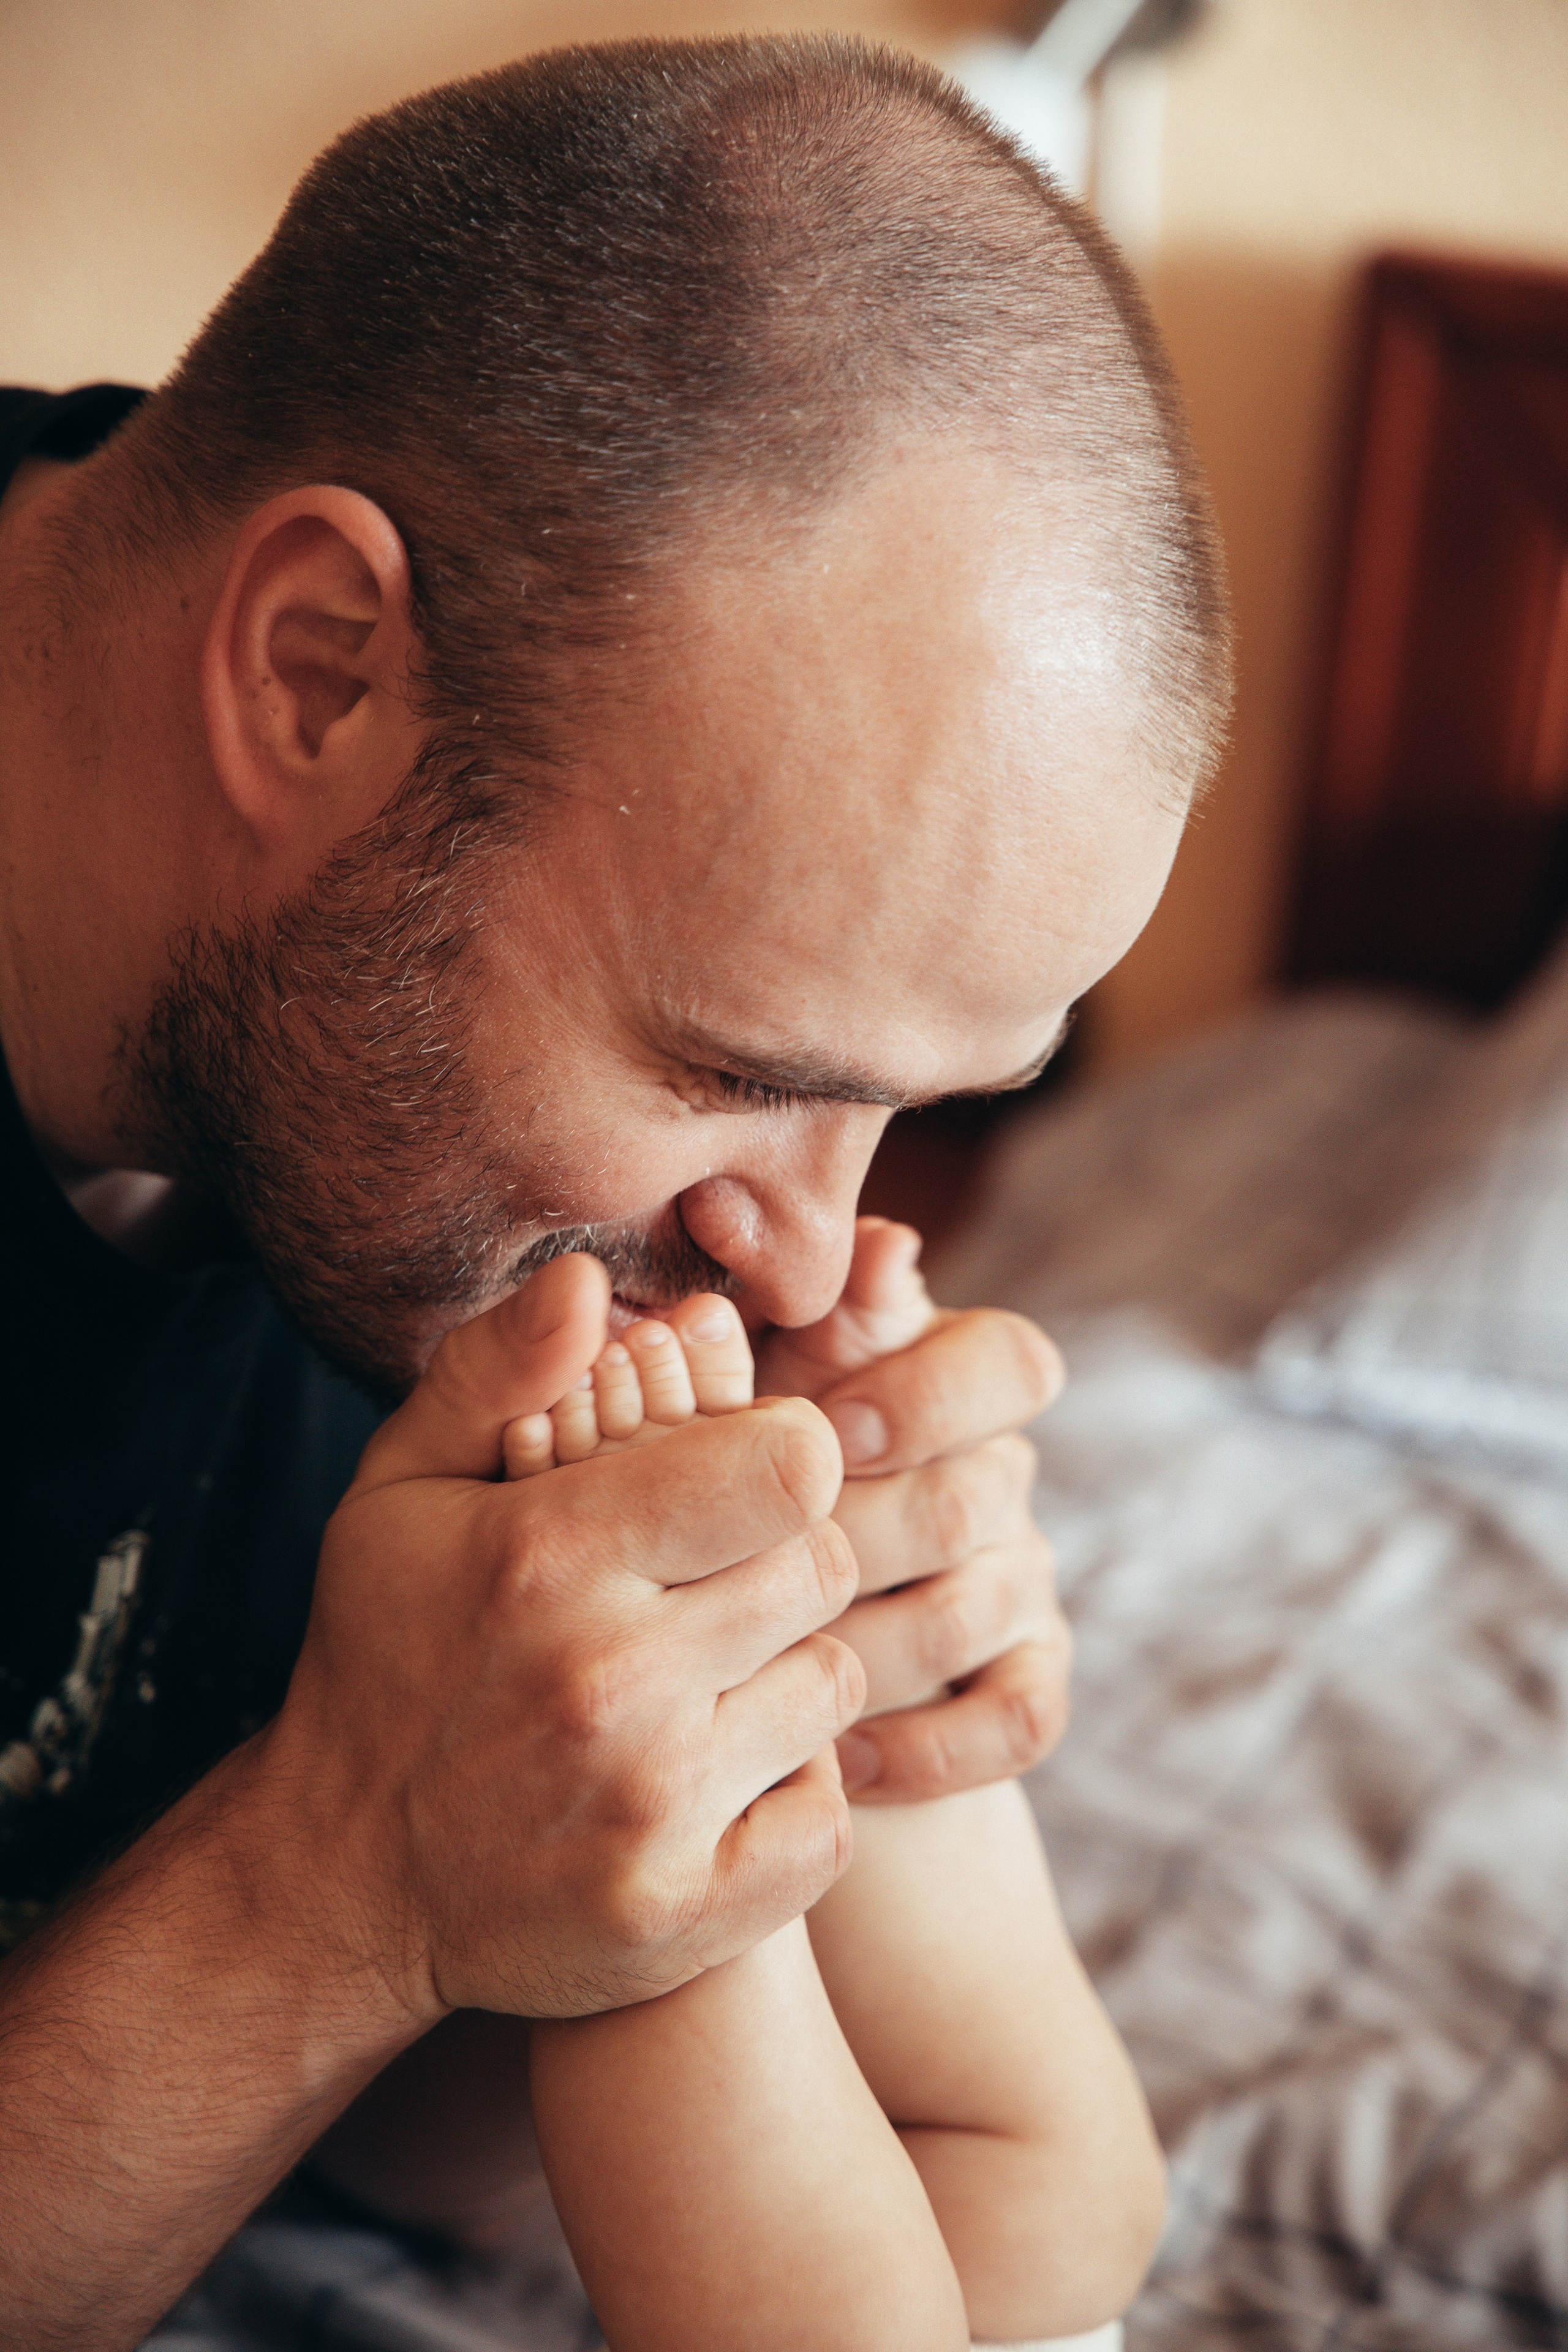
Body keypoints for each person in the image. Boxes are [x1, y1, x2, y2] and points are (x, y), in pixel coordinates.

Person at [0, 32, 1231, 2352]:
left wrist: (730, 1784)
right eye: (735, 1070)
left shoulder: (384, 1150)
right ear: (318, 674)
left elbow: (386, 2150)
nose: (805, 1255)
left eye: (916, 1116)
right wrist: (335, 1873)